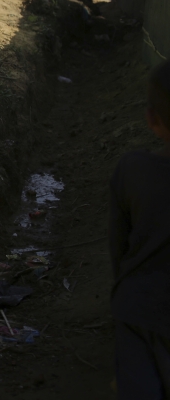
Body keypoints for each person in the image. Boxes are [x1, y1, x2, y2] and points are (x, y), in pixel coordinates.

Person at [110, 59, 170, 399]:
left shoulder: (131, 170)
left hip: (140, 310)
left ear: (151, 119)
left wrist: (121, 297)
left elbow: (118, 247)